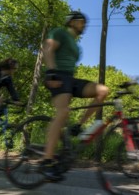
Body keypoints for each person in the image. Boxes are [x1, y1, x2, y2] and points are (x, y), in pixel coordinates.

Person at [41, 11, 109, 181]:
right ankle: (46, 161)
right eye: (81, 21)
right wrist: (51, 73)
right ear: (71, 22)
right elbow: (47, 50)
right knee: (63, 113)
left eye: (85, 23)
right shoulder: (59, 32)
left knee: (103, 91)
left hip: (70, 79)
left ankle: (78, 126)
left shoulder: (77, 46)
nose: (84, 25)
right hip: (57, 76)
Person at [0, 58, 22, 126]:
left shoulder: (7, 78)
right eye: (15, 68)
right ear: (10, 67)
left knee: (0, 106)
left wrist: (16, 100)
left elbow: (11, 88)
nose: (15, 70)